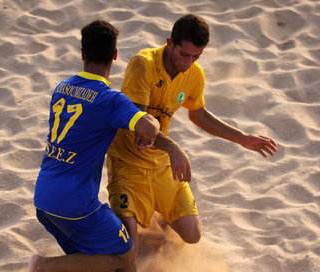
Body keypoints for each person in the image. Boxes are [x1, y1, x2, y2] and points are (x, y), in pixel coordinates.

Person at [20, 20, 160, 272]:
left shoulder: (61, 87)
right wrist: (146, 121)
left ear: (82, 53)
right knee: (125, 251)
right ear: (115, 55)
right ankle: (44, 267)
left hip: (44, 197)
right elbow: (149, 129)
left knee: (101, 262)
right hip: (76, 203)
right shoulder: (111, 99)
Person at [107, 14, 278, 247]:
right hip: (128, 160)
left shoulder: (195, 74)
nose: (188, 62)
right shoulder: (143, 63)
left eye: (196, 56)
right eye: (184, 54)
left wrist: (243, 139)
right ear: (170, 43)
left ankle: (159, 209)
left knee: (192, 235)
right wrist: (174, 148)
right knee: (126, 242)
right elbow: (140, 123)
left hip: (160, 161)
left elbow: (199, 115)